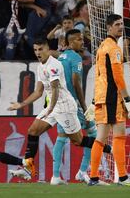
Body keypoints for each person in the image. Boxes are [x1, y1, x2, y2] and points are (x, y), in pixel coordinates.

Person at [7, 39, 111, 181]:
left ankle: (109, 149)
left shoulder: (53, 65)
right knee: (33, 131)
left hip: (64, 107)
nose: (38, 53)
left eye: (41, 49)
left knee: (78, 141)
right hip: (53, 107)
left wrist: (50, 108)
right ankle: (28, 169)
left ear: (48, 49)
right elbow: (38, 92)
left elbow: (55, 88)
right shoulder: (40, 67)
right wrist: (21, 104)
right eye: (36, 50)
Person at [85, 14, 130, 186]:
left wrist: (95, 100)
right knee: (117, 136)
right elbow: (117, 76)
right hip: (112, 97)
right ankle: (122, 178)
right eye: (117, 24)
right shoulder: (114, 49)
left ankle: (94, 177)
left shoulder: (102, 46)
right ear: (109, 27)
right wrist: (127, 99)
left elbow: (100, 75)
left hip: (103, 96)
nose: (121, 27)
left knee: (102, 137)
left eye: (122, 24)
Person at [50, 29, 97, 185]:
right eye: (78, 39)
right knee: (93, 134)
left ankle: (55, 176)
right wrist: (84, 106)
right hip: (73, 103)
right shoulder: (75, 57)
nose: (82, 42)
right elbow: (76, 81)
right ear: (70, 42)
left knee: (62, 137)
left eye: (82, 39)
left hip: (61, 103)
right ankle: (83, 171)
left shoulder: (61, 56)